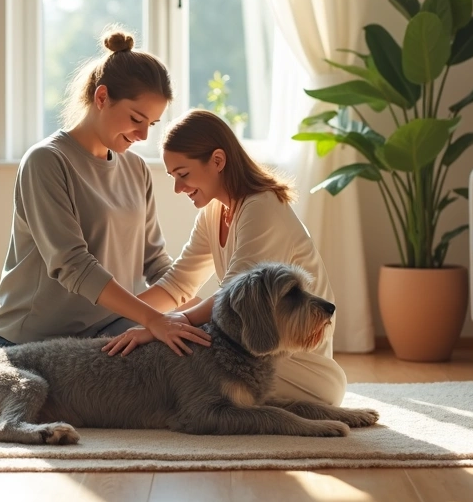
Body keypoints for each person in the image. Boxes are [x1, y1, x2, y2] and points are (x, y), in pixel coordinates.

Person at [0, 29, 212, 355]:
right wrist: (153, 320)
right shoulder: (46, 161)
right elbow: (73, 264)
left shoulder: (135, 169)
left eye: (152, 123)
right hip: (37, 341)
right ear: (102, 98)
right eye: (137, 119)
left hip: (110, 333)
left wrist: (203, 317)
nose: (143, 135)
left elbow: (155, 262)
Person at [102, 109, 348, 406]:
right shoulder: (214, 211)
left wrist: (163, 325)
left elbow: (231, 299)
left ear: (218, 161)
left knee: (187, 344)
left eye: (183, 175)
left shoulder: (262, 208)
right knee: (173, 340)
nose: (179, 188)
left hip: (296, 356)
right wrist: (121, 318)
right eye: (173, 178)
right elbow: (179, 283)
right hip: (255, 343)